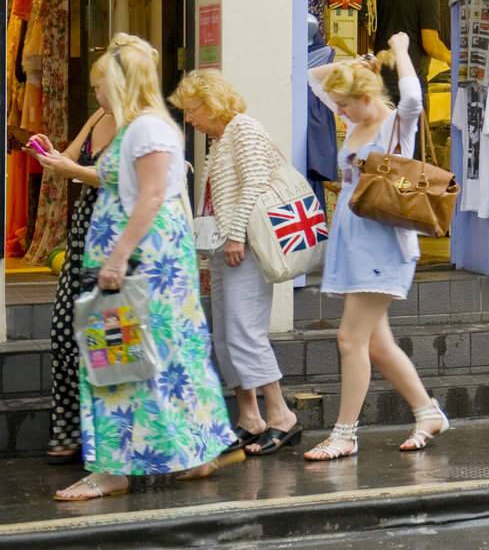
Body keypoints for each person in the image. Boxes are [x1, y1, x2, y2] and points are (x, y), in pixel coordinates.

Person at [32, 35, 238, 500]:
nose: (98, 94)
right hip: (151, 263)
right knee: (161, 360)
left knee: (117, 360)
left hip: (141, 265)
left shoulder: (145, 129)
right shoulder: (142, 127)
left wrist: (118, 256)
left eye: (101, 85)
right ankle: (197, 452)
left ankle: (112, 469)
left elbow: (149, 197)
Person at [304, 34, 449, 460]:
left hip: (382, 244)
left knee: (350, 339)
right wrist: (358, 63)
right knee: (376, 344)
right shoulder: (355, 121)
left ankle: (345, 433)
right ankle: (428, 412)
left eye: (346, 103)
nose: (339, 111)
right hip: (355, 244)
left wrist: (401, 52)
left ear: (366, 97)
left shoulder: (393, 125)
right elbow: (312, 79)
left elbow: (412, 98)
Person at [170, 70, 302, 457]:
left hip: (242, 247)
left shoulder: (243, 129)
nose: (190, 119)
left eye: (194, 110)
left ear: (213, 104)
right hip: (224, 247)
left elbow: (256, 185)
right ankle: (249, 417)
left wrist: (236, 235)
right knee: (227, 336)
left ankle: (281, 414)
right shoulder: (222, 137)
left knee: (245, 331)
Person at [38, 94, 118, 464]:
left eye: (102, 85)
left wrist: (73, 171)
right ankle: (69, 429)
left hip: (113, 236)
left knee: (104, 338)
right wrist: (52, 157)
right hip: (84, 230)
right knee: (63, 331)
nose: (98, 93)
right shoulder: (99, 113)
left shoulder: (139, 122)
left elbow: (123, 180)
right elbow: (68, 160)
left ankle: (103, 438)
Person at [374, 0, 451, 119]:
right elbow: (430, 43)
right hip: (410, 79)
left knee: (386, 140)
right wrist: (450, 58)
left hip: (382, 77)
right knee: (412, 142)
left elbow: (376, 34)